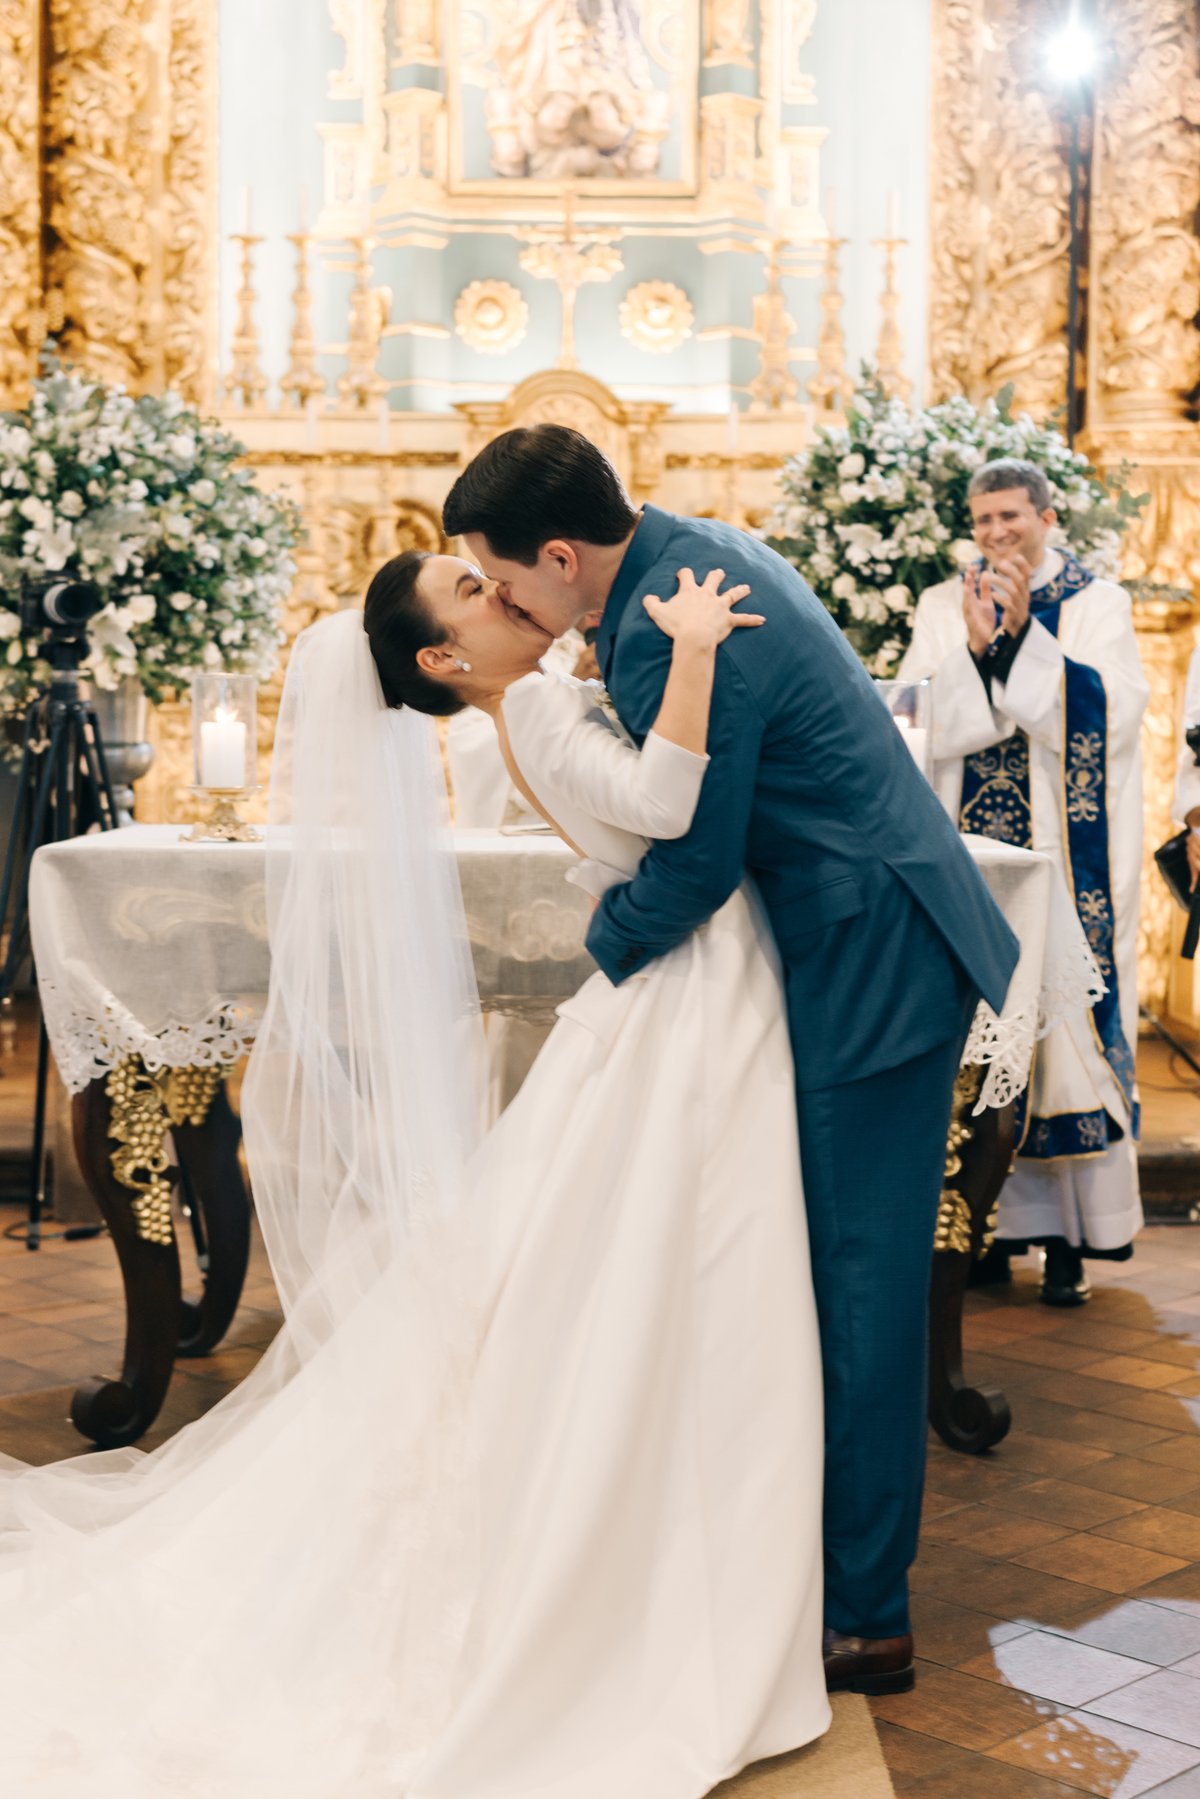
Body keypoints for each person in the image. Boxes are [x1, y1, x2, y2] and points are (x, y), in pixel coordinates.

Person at [0, 556, 832, 1796]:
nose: (496, 588)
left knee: (633, 1269)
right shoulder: (535, 709)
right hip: (685, 998)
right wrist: (698, 650)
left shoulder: (536, 701)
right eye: (467, 588)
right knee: (674, 1256)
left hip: (684, 995)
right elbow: (664, 801)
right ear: (441, 659)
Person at [441, 424, 1019, 1694]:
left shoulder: (661, 619)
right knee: (831, 1268)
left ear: (558, 553)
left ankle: (867, 1615)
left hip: (874, 944)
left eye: (506, 579)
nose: (510, 603)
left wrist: (608, 944)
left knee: (864, 1283)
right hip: (864, 928)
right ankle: (818, 1563)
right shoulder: (689, 560)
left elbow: (694, 859)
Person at [899, 458, 1149, 1304]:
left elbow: (1111, 709)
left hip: (1062, 855)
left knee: (1060, 1022)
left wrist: (1019, 638)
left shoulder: (1097, 602)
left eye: (1010, 516)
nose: (996, 532)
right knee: (979, 1025)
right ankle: (986, 1231)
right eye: (982, 520)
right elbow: (917, 715)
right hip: (970, 854)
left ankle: (1072, 1240)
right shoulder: (943, 602)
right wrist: (974, 646)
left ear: (1046, 517)